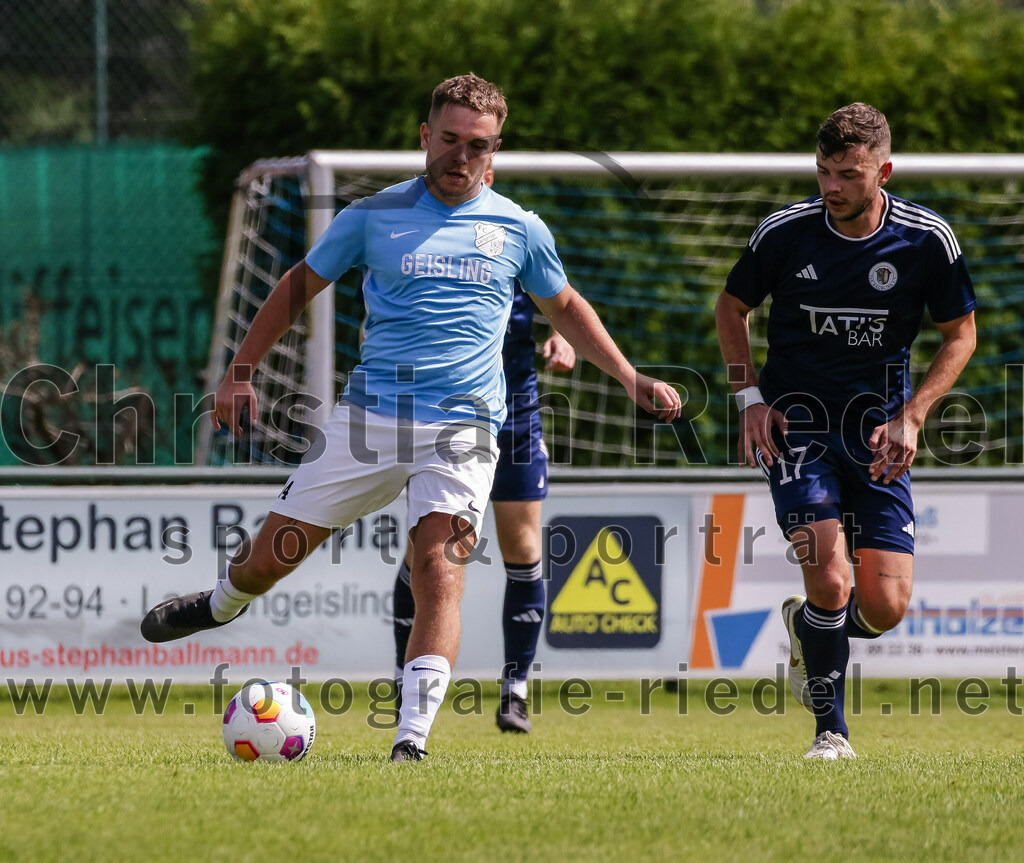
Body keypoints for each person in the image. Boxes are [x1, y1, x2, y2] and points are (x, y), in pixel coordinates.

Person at [141, 73, 681, 763]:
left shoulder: (519, 227)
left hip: (465, 429)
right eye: (449, 140)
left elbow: (566, 305)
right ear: (425, 137)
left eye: (476, 145)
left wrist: (631, 377)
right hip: (369, 421)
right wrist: (240, 370)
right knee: (269, 558)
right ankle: (222, 602)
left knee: (440, 567)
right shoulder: (373, 215)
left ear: (496, 151)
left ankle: (411, 740)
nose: (460, 156)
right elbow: (299, 285)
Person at [715, 103, 976, 760]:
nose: (832, 187)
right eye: (825, 172)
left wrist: (913, 416)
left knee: (884, 605)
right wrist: (749, 396)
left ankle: (809, 629)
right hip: (795, 427)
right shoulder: (785, 232)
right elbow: (731, 305)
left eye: (849, 175)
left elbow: (961, 335)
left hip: (878, 436)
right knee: (830, 578)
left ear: (882, 170)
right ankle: (831, 731)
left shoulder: (927, 241)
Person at [391, 275, 576, 735]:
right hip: (441, 418)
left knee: (522, 543)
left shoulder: (515, 238)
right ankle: (404, 683)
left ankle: (516, 692)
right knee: (428, 553)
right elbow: (376, 325)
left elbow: (566, 307)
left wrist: (562, 337)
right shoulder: (419, 244)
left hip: (515, 415)